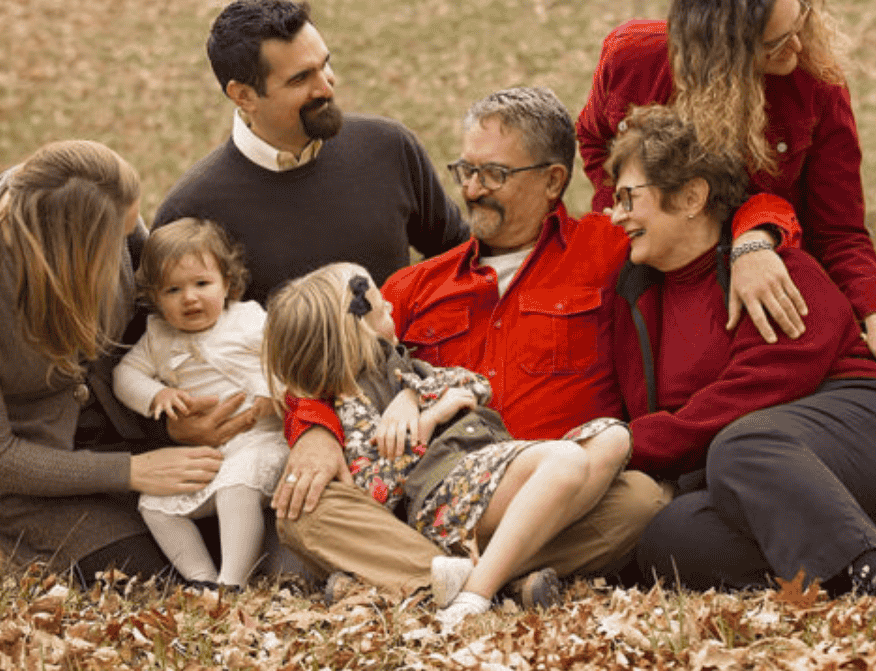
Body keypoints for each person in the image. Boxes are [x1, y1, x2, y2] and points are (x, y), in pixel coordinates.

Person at [276, 87, 806, 599]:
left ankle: (409, 576)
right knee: (303, 510)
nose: (473, 188)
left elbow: (728, 205)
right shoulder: (413, 288)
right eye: (466, 170)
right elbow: (327, 361)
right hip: (431, 499)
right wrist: (312, 430)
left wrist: (754, 242)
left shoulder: (607, 248)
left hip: (556, 493)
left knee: (643, 499)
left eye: (494, 174)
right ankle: (481, 579)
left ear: (553, 180)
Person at [603, 107, 876, 596]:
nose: (617, 215)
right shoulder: (635, 296)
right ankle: (838, 568)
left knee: (742, 444)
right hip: (758, 474)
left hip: (867, 427)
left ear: (692, 196)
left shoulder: (774, 268)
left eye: (628, 198)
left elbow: (760, 389)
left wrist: (631, 442)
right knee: (669, 536)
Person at [0, 141, 226, 582]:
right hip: (18, 470)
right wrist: (133, 472)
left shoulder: (106, 203)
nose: (128, 242)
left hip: (115, 430)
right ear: (68, 248)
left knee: (215, 537)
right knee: (132, 577)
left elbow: (152, 306)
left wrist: (173, 419)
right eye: (114, 241)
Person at [576, 0, 876, 369]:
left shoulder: (815, 85)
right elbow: (592, 137)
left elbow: (839, 231)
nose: (798, 48)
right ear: (723, 52)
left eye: (802, 23)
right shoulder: (632, 59)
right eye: (777, 43)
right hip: (656, 281)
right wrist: (625, 211)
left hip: (770, 289)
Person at [264, 263, 634, 628]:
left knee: (617, 446)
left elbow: (475, 387)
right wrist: (428, 421)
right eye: (381, 307)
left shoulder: (405, 369)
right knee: (566, 460)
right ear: (359, 329)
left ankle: (460, 577)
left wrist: (415, 395)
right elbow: (376, 490)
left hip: (484, 469)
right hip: (449, 493)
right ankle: (477, 594)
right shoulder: (352, 404)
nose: (392, 306)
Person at [151, 0, 468, 305]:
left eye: (325, 64)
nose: (327, 87)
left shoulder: (390, 147)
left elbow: (459, 256)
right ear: (244, 95)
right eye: (300, 78)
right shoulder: (190, 210)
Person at [115, 219, 286, 587]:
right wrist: (156, 395)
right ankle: (201, 579)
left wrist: (274, 392)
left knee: (235, 488)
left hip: (263, 442)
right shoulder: (158, 336)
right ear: (155, 299)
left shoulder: (248, 319)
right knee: (154, 505)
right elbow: (124, 376)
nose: (189, 297)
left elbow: (285, 359)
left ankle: (232, 582)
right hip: (210, 455)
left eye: (202, 284)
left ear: (227, 283)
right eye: (173, 289)